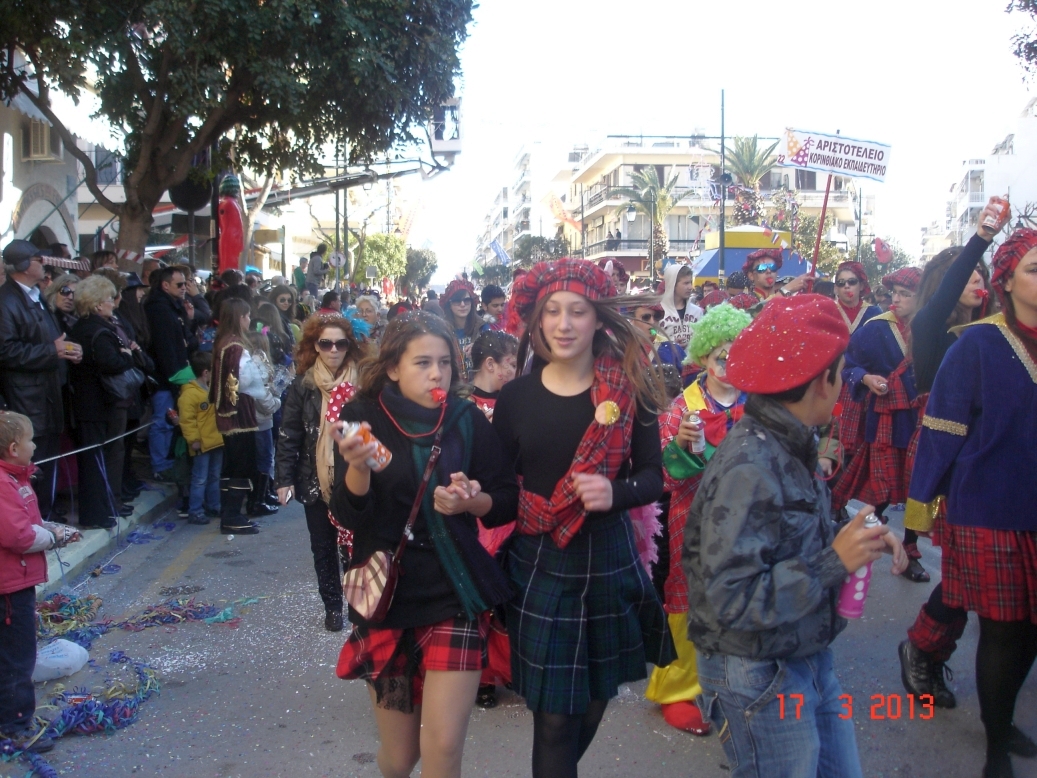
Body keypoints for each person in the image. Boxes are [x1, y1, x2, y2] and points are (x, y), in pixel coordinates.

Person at [683, 294, 907, 778]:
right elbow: (730, 598)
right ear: (824, 381)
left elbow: (786, 534)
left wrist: (854, 537)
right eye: (841, 373)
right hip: (757, 671)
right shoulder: (751, 464)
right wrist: (833, 561)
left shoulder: (788, 442)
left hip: (803, 651)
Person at [492, 259, 675, 778]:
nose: (564, 323)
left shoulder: (630, 387)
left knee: (593, 701)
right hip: (539, 560)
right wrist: (472, 498)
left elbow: (654, 476)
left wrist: (615, 492)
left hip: (608, 560)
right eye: (552, 311)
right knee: (554, 720)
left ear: (598, 319)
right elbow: (502, 489)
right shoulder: (516, 397)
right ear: (537, 320)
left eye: (577, 311)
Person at [330, 311, 516, 778]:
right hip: (386, 597)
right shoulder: (363, 416)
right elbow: (348, 515)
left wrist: (472, 501)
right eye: (423, 363)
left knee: (443, 748)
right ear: (393, 367)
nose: (437, 374)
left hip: (454, 593)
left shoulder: (465, 419)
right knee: (400, 759)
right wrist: (358, 468)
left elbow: (504, 499)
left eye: (445, 363)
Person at [908, 228, 1037, 778]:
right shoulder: (974, 344)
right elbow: (943, 429)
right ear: (1007, 281)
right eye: (1034, 268)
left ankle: (1000, 719)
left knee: (1031, 628)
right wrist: (918, 512)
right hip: (986, 505)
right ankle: (995, 745)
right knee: (1003, 627)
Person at [898, 199, 1003, 710]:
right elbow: (941, 300)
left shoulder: (1000, 331)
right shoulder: (929, 328)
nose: (977, 278)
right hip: (948, 454)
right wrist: (981, 238)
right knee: (970, 570)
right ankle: (923, 648)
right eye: (967, 272)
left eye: (983, 272)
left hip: (999, 452)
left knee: (992, 571)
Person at [646, 303, 751, 735]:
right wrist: (679, 445)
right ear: (704, 356)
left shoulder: (757, 402)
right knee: (685, 596)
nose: (728, 365)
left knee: (742, 592)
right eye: (720, 356)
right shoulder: (681, 408)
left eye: (737, 355)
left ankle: (734, 680)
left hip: (746, 518)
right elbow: (661, 477)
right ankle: (677, 689)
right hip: (692, 518)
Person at [833, 267, 926, 580]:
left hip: (922, 417)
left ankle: (911, 550)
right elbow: (849, 365)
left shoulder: (934, 327)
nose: (896, 299)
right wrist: (865, 378)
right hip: (887, 417)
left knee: (916, 488)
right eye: (894, 293)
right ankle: (857, 536)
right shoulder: (875, 328)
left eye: (905, 294)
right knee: (882, 487)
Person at [277, 314, 368, 631]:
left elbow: (373, 432)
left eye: (340, 344)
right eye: (326, 343)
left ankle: (357, 606)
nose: (333, 350)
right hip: (314, 479)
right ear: (315, 345)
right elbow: (289, 434)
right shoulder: (303, 385)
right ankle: (332, 606)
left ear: (349, 346)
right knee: (323, 548)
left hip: (352, 480)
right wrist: (283, 479)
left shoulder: (363, 383)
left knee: (354, 547)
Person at [0, 411, 80, 753]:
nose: (35, 446)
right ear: (14, 448)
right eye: (31, 440)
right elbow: (18, 534)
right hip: (8, 586)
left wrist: (48, 528)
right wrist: (54, 537)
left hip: (14, 581)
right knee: (17, 657)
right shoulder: (3, 483)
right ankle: (15, 726)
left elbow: (26, 521)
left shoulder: (15, 479)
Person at [0, 240, 82, 520]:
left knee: (47, 459)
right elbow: (6, 351)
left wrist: (66, 350)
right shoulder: (6, 301)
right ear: (24, 265)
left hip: (48, 393)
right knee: (31, 463)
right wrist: (52, 350)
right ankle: (34, 519)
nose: (43, 264)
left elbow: (49, 339)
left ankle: (45, 513)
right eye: (38, 259)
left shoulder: (35, 296)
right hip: (26, 398)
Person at [68, 275, 139, 528]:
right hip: (97, 403)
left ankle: (104, 509)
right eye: (110, 298)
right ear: (98, 304)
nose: (113, 303)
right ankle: (99, 513)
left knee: (98, 459)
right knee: (97, 461)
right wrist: (127, 355)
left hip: (92, 403)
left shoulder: (84, 327)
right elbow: (111, 363)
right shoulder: (95, 330)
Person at [210, 297, 264, 535]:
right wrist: (258, 369)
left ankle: (229, 513)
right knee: (241, 465)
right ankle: (232, 515)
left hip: (227, 412)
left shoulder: (222, 341)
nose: (249, 320)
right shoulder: (235, 346)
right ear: (239, 318)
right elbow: (243, 380)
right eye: (247, 316)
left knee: (232, 465)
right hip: (238, 414)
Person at [144, 266, 196, 480]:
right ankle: (160, 465)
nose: (184, 288)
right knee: (163, 422)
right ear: (165, 285)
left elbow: (184, 339)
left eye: (186, 284)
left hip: (176, 372)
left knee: (170, 421)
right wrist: (173, 376)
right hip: (166, 377)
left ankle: (168, 463)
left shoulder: (173, 307)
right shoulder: (159, 309)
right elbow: (165, 347)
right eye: (180, 284)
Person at [177, 351, 223, 525]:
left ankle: (213, 505)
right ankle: (195, 510)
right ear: (205, 372)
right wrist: (193, 439)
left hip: (216, 440)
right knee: (200, 479)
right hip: (202, 443)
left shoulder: (210, 389)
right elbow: (187, 421)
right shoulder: (189, 395)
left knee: (214, 476)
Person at [243, 329, 281, 516]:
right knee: (264, 458)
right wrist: (277, 401)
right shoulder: (256, 366)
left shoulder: (251, 365)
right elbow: (263, 398)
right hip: (260, 419)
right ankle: (257, 500)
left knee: (264, 458)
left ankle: (263, 494)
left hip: (258, 418)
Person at [467, 329, 518, 422]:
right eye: (513, 365)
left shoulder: (512, 400)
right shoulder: (463, 406)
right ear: (490, 364)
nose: (517, 372)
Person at [442, 279, 487, 381]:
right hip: (453, 384)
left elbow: (494, 356)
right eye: (457, 301)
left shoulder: (482, 327)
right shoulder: (442, 330)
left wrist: (479, 349)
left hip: (479, 383)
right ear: (449, 304)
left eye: (467, 300)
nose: (462, 304)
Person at [659, 263, 702, 349]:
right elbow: (652, 340)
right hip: (667, 357)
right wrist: (670, 346)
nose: (690, 287)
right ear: (673, 284)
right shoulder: (658, 312)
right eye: (686, 283)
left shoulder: (697, 312)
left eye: (690, 282)